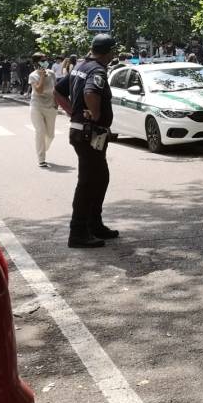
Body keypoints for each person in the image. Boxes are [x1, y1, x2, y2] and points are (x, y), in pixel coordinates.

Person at [54, 34, 121, 249]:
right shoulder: (97, 70)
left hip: (83, 130)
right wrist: (94, 112)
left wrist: (72, 112)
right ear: (109, 52)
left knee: (99, 178)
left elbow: (57, 91)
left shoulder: (80, 66)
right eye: (113, 52)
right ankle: (78, 232)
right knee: (88, 182)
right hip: (89, 132)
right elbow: (91, 92)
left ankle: (94, 224)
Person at [29, 53, 57, 168]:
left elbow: (56, 89)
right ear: (36, 63)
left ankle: (42, 148)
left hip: (50, 107)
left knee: (50, 135)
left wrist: (57, 103)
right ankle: (41, 158)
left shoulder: (51, 73)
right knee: (40, 132)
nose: (45, 62)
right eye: (42, 60)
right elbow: (39, 91)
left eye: (46, 60)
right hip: (37, 106)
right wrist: (41, 76)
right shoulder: (33, 75)